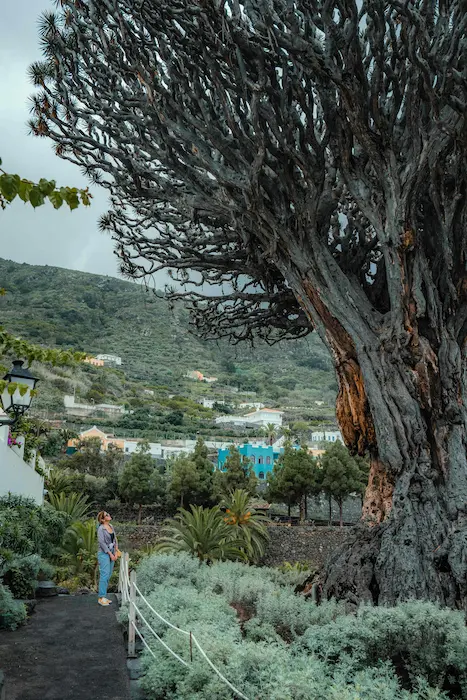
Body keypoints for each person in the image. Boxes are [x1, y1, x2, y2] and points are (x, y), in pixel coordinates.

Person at [97, 511, 118, 607]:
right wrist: (110, 554)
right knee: (104, 574)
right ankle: (101, 597)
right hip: (104, 553)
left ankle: (104, 596)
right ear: (102, 519)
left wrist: (116, 551)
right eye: (107, 515)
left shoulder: (111, 526)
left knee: (108, 574)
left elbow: (115, 540)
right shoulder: (101, 529)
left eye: (109, 514)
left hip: (112, 552)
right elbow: (102, 543)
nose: (109, 515)